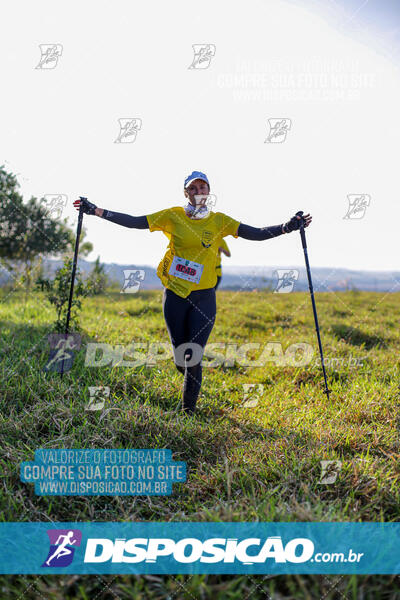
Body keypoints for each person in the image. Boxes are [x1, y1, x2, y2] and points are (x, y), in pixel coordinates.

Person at [74, 170, 312, 415]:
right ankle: (190, 380)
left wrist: (287, 227)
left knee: (193, 357)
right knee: (181, 359)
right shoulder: (172, 216)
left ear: (209, 191)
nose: (199, 192)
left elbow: (257, 233)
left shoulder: (220, 221)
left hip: (204, 298)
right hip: (175, 296)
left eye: (203, 188)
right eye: (193, 188)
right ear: (186, 192)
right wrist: (97, 211)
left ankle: (188, 413)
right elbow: (135, 221)